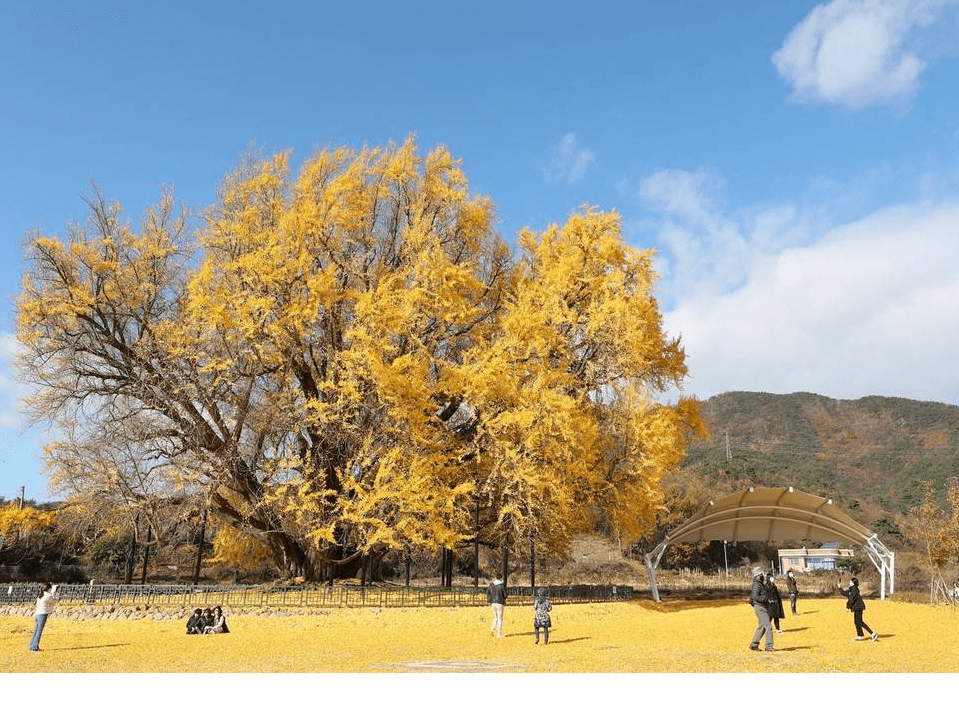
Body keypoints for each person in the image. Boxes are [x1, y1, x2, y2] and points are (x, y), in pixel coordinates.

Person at [838, 576, 878, 641]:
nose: (849, 582)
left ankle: (873, 634)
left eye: (850, 581)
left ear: (853, 583)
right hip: (856, 607)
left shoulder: (854, 590)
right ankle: (860, 636)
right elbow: (844, 593)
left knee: (860, 622)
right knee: (857, 622)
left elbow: (851, 599)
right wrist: (839, 587)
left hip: (859, 607)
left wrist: (847, 607)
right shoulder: (851, 589)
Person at [748, 567, 774, 652]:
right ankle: (769, 646)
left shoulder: (759, 583)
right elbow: (755, 596)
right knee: (768, 627)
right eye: (763, 574)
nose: (764, 576)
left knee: (762, 626)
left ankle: (754, 644)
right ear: (759, 575)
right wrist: (766, 599)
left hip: (761, 606)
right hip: (760, 607)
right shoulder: (756, 584)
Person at [29, 581, 58, 652]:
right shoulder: (48, 595)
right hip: (43, 614)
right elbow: (55, 601)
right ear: (49, 589)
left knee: (36, 630)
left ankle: (32, 644)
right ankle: (34, 647)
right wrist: (55, 593)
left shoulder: (40, 595)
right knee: (39, 631)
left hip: (37, 613)